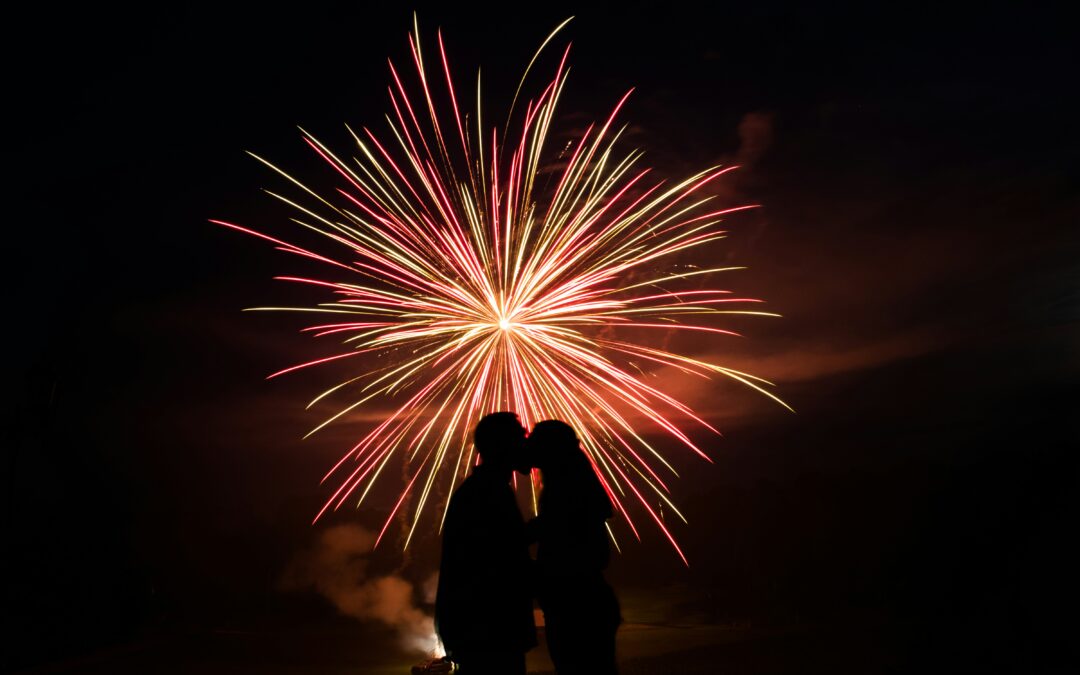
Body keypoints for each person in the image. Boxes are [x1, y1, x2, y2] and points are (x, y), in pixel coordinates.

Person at [434, 412, 537, 674]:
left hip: (480, 629)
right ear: (504, 445)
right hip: (490, 630)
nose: (527, 444)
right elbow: (499, 558)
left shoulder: (482, 489)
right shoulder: (487, 492)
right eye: (520, 438)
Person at [528, 420, 621, 675]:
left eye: (536, 443)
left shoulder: (565, 488)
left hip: (575, 604)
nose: (529, 447)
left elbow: (558, 527)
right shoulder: (576, 482)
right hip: (585, 600)